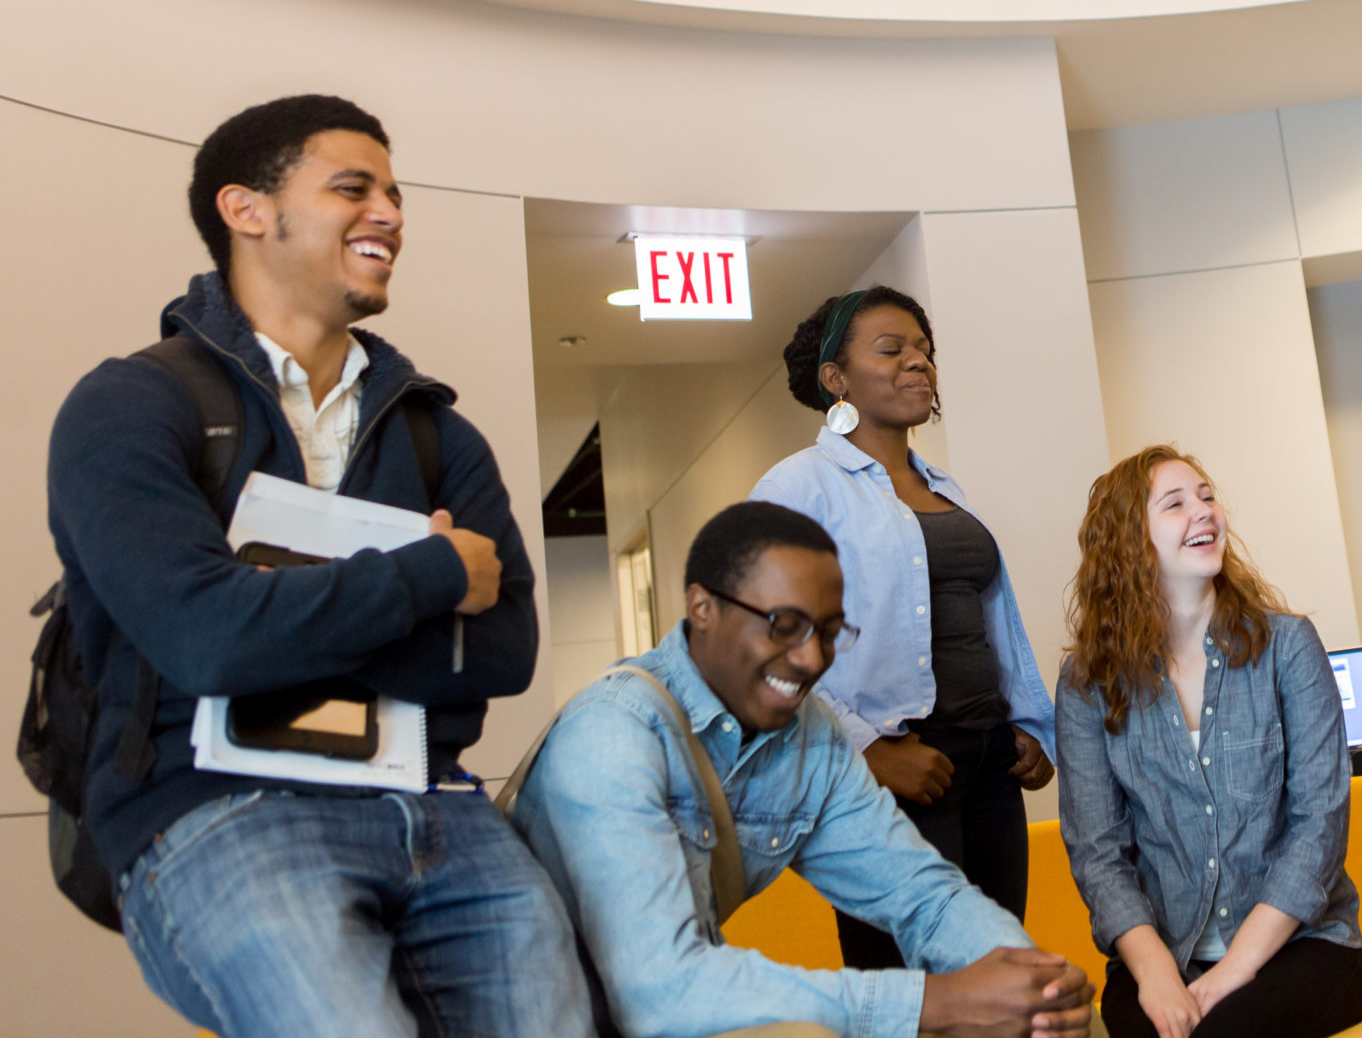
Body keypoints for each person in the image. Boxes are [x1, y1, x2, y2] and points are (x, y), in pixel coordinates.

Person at [44, 95, 588, 1038]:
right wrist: (431, 576)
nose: (391, 214)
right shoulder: (129, 405)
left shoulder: (439, 435)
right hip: (220, 814)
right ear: (246, 209)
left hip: (437, 807)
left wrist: (271, 610)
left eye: (395, 194)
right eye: (353, 188)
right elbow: (204, 638)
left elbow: (502, 654)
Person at [509, 502, 1092, 1038]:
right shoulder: (612, 733)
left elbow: (923, 896)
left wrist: (1034, 982)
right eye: (785, 626)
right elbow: (662, 991)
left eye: (829, 634)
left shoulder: (811, 738)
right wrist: (935, 1003)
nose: (813, 659)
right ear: (702, 608)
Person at [749, 287, 1057, 971]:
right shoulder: (799, 488)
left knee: (1004, 982)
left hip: (987, 768)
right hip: (895, 777)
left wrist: (1030, 729)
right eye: (892, 350)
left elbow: (987, 624)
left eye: (925, 350)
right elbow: (761, 646)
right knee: (915, 996)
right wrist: (867, 753)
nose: (918, 362)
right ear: (836, 379)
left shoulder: (945, 488)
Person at [1054, 446, 1362, 1038]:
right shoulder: (1086, 683)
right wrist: (1155, 975)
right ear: (1128, 542)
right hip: (1164, 957)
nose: (1204, 512)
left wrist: (1233, 970)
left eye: (1207, 497)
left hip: (1303, 950)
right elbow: (1097, 852)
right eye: (1175, 504)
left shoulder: (1289, 647)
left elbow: (1320, 825)